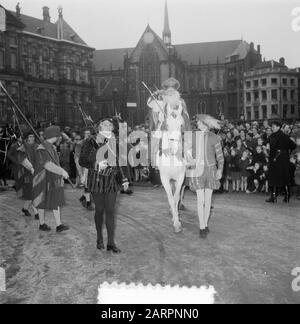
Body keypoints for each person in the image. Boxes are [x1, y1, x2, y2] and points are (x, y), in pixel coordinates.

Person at [79, 117, 130, 253]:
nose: (107, 126)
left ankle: (111, 243)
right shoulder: (90, 141)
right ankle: (99, 238)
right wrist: (96, 164)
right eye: (104, 124)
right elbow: (82, 160)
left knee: (110, 211)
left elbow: (122, 161)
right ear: (99, 127)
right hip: (97, 180)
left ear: (112, 127)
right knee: (99, 210)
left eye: (109, 124)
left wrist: (124, 178)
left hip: (112, 181)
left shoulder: (117, 142)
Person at [187, 114, 224, 239]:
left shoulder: (215, 138)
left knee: (208, 200)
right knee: (200, 200)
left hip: (211, 171)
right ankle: (202, 226)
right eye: (197, 122)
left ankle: (205, 223)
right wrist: (189, 159)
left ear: (205, 124)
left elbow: (220, 157)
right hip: (197, 170)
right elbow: (186, 151)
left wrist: (220, 170)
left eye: (199, 122)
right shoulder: (192, 136)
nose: (197, 124)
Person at [32, 126, 70, 232]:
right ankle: (42, 223)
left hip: (52, 177)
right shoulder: (42, 148)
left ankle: (59, 225)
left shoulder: (51, 147)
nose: (60, 138)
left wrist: (60, 172)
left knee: (55, 199)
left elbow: (54, 163)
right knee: (41, 199)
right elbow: (47, 164)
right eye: (59, 136)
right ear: (55, 136)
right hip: (42, 178)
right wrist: (61, 171)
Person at [266, 121, 297, 203]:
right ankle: (287, 196)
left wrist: (271, 158)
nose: (272, 128)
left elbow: (272, 149)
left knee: (274, 177)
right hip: (284, 160)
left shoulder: (273, 136)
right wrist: (286, 152)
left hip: (275, 159)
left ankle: (273, 197)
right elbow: (293, 146)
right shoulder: (286, 136)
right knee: (285, 177)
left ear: (278, 127)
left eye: (273, 127)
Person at [17, 132, 39, 219]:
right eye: (30, 136)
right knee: (32, 193)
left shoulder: (37, 146)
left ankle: (25, 209)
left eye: (33, 136)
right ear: (26, 138)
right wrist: (31, 168)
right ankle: (37, 213)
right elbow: (23, 160)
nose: (32, 138)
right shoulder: (22, 148)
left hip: (36, 172)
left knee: (31, 194)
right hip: (27, 174)